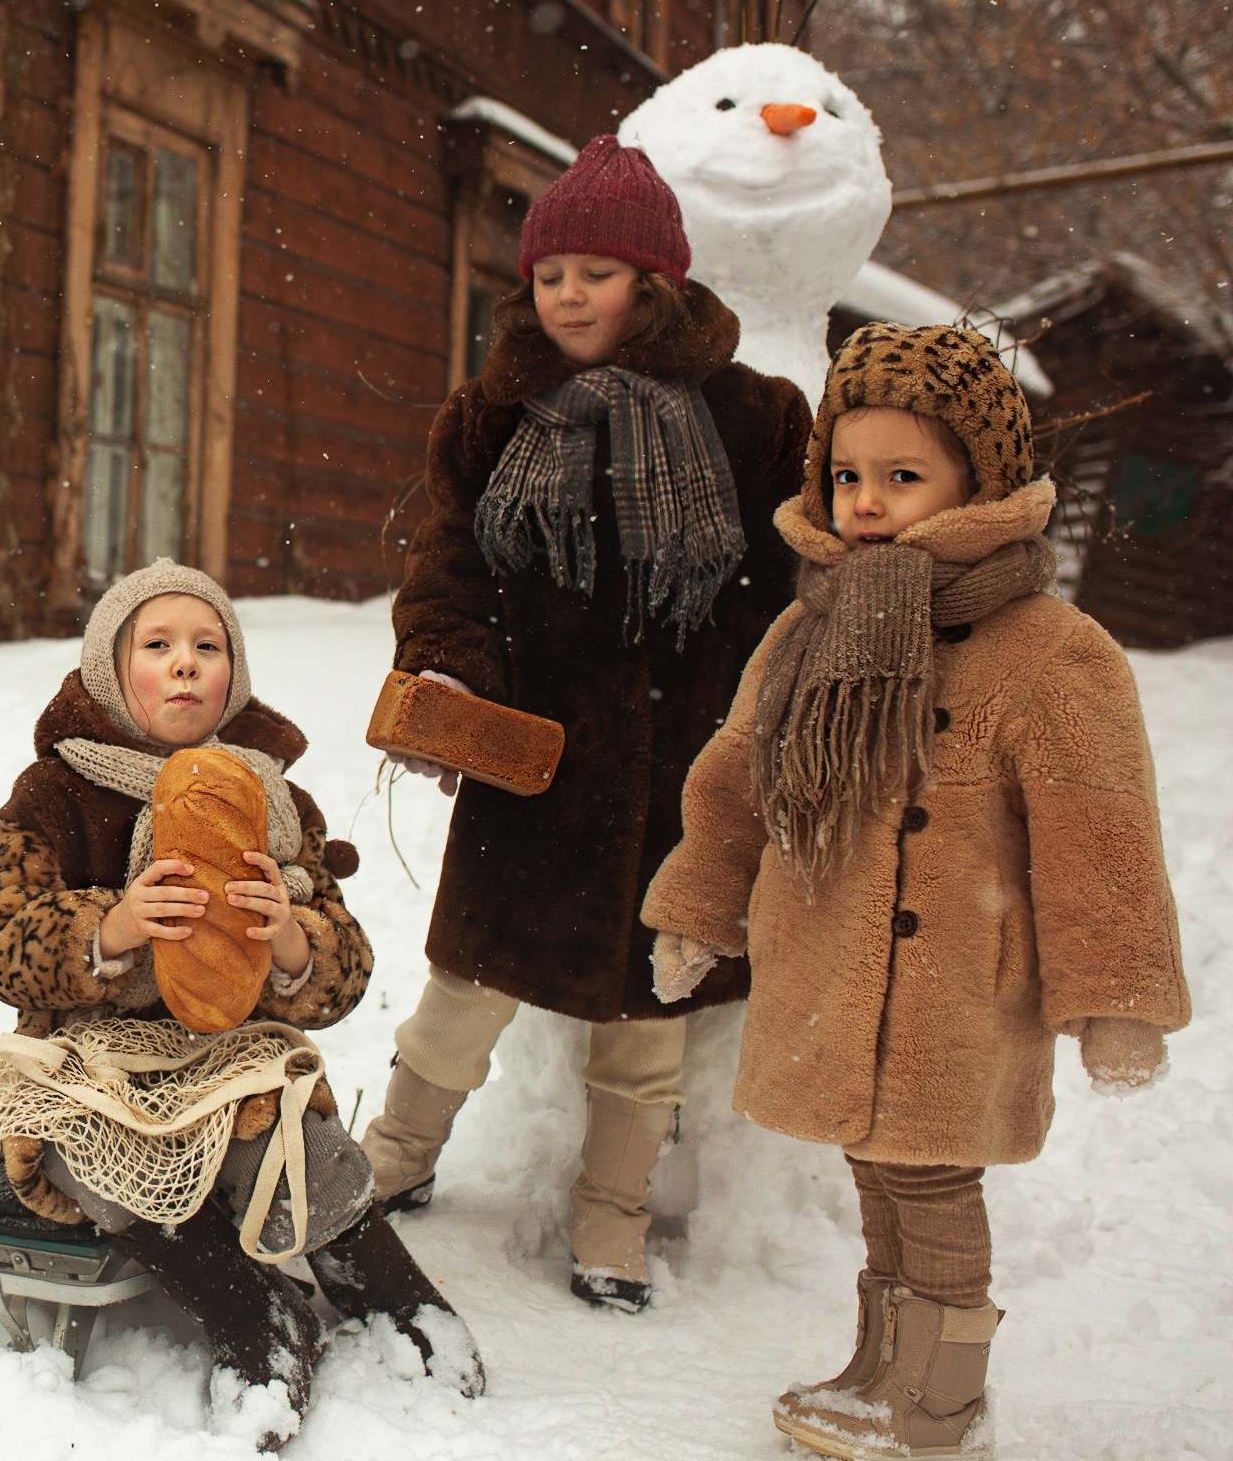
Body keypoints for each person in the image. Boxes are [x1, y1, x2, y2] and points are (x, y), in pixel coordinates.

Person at [644, 322, 1190, 1460]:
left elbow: (1102, 832)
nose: (866, 501)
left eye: (902, 474)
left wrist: (1117, 996)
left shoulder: (1047, 648)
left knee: (932, 1180)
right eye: (847, 474)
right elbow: (737, 773)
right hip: (831, 958)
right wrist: (698, 901)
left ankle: (944, 1400)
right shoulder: (807, 627)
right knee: (874, 1166)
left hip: (953, 979)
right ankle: (879, 1365)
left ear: (974, 480)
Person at [372, 134, 815, 1311]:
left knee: (647, 1016)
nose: (567, 294)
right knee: (463, 983)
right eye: (550, 273)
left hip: (688, 777)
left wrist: (773, 730)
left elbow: (792, 591)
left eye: (595, 272)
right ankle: (391, 1162)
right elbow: (446, 571)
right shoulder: (491, 419)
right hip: (534, 764)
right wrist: (447, 675)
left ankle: (610, 1221)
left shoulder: (755, 420)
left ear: (653, 285)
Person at [0, 560, 476, 1451]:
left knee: (299, 1149)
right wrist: (112, 926)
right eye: (158, 646)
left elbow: (345, 969)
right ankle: (254, 1312)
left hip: (232, 1057)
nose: (187, 663)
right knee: (107, 1162)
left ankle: (386, 1289)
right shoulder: (57, 790)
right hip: (95, 1063)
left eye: (208, 646)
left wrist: (291, 939)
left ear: (233, 672)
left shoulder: (274, 800)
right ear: (109, 670)